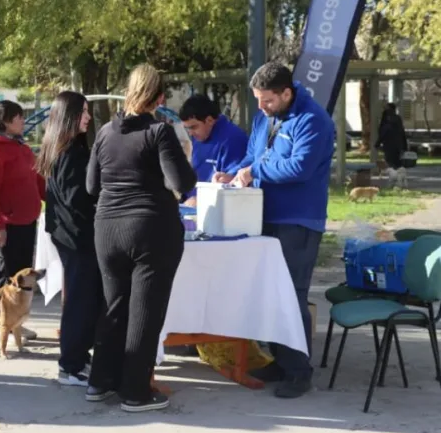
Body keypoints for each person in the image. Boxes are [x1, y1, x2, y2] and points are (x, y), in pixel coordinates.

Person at [213, 62, 335, 399]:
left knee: (291, 294)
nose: (262, 107)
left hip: (298, 220)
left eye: (267, 100)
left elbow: (299, 167)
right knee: (267, 293)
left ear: (286, 92)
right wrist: (232, 173)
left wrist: (255, 171)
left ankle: (299, 371)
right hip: (262, 215)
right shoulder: (264, 117)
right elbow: (253, 157)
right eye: (258, 100)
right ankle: (279, 361)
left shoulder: (313, 121)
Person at [85, 64, 197, 413]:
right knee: (145, 313)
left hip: (107, 227)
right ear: (160, 97)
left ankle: (101, 381)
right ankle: (135, 391)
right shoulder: (159, 132)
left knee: (114, 306)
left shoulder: (104, 132)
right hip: (150, 228)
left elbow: (92, 186)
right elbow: (182, 183)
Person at [36, 91, 103, 386]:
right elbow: (79, 199)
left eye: (88, 111)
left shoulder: (61, 147)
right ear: (69, 116)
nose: (88, 117)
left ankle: (78, 358)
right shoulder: (71, 153)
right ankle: (70, 365)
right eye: (83, 112)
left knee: (81, 299)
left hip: (68, 234)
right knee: (80, 301)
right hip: (77, 237)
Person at [0, 100, 46, 340]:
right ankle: (0, 326)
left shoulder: (21, 147)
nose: (23, 120)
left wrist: (53, 199)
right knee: (5, 277)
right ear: (6, 121)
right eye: (18, 117)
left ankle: (15, 323)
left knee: (21, 276)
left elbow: (36, 179)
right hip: (8, 225)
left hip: (28, 222)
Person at [178, 94, 249, 205]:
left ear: (210, 120)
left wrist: (200, 200)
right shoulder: (199, 136)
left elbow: (233, 185)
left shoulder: (233, 139)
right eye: (187, 128)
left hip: (218, 209)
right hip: (192, 205)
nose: (190, 133)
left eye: (193, 127)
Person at [376, 103, 408, 171]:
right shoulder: (397, 118)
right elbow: (402, 132)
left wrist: (378, 143)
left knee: (390, 162)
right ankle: (398, 175)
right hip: (398, 144)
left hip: (389, 144)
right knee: (397, 162)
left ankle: (393, 176)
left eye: (386, 108)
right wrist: (404, 145)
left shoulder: (388, 119)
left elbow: (384, 132)